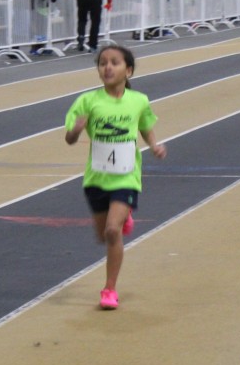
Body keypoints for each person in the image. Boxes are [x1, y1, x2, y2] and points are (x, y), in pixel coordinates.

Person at [64, 44, 167, 310]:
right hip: (97, 178)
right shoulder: (87, 101)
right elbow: (69, 139)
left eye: (114, 62)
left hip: (126, 176)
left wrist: (154, 145)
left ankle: (109, 289)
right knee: (104, 236)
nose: (107, 67)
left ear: (128, 70)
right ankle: (123, 219)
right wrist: (75, 131)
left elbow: (145, 126)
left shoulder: (138, 100)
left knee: (112, 230)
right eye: (103, 63)